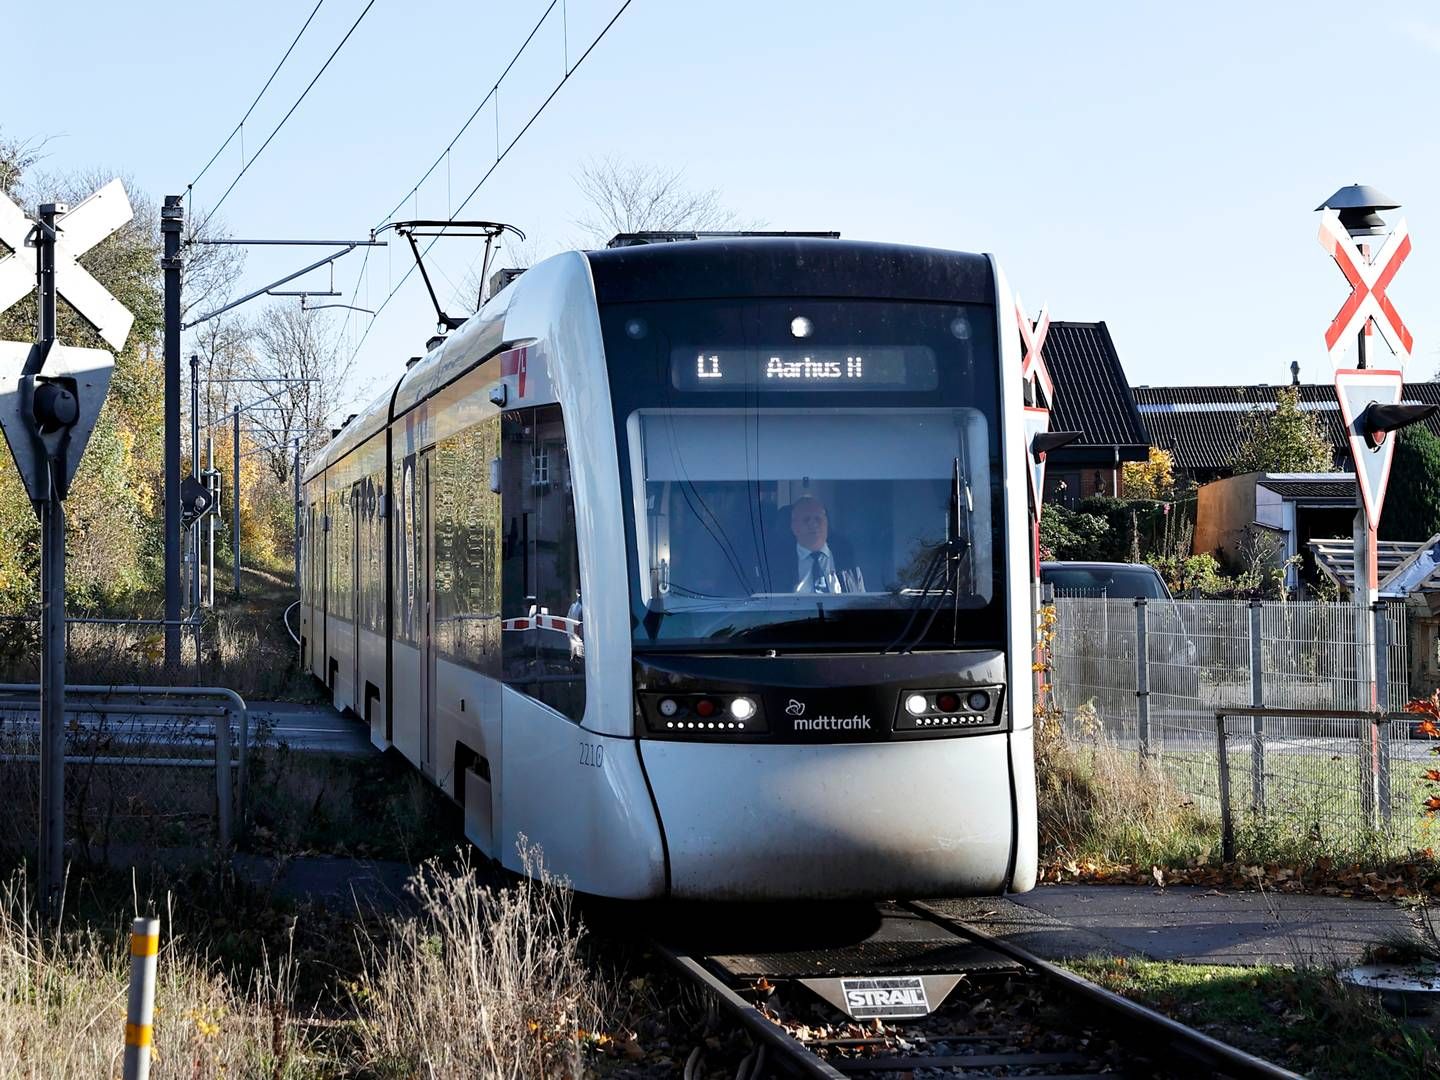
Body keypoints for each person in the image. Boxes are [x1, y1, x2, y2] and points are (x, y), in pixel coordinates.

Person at [783, 494, 865, 593]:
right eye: (806, 519)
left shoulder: (849, 564)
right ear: (794, 526)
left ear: (826, 523)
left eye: (818, 519)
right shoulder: (778, 565)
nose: (813, 524)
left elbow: (862, 604)